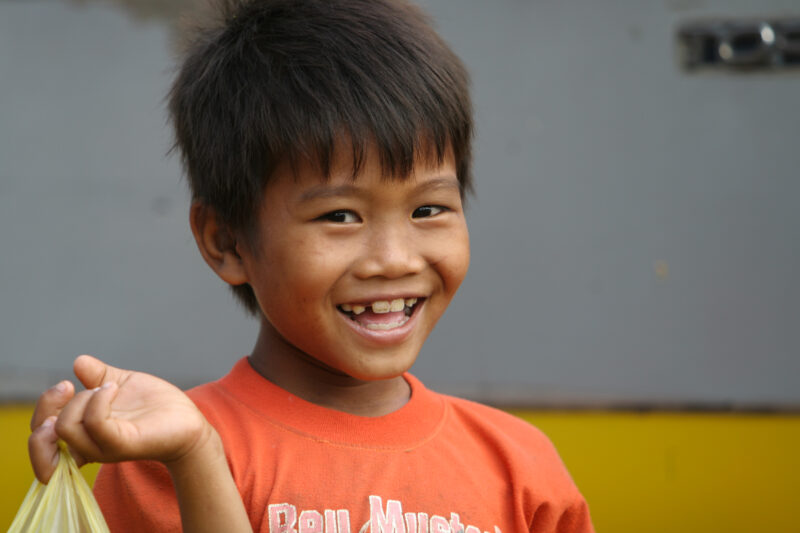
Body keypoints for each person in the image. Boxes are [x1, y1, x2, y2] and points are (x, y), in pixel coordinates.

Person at [28, 0, 595, 531]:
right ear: (226, 242)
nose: (394, 259)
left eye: (428, 209)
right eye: (341, 216)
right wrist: (196, 457)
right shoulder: (165, 450)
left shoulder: (522, 471)